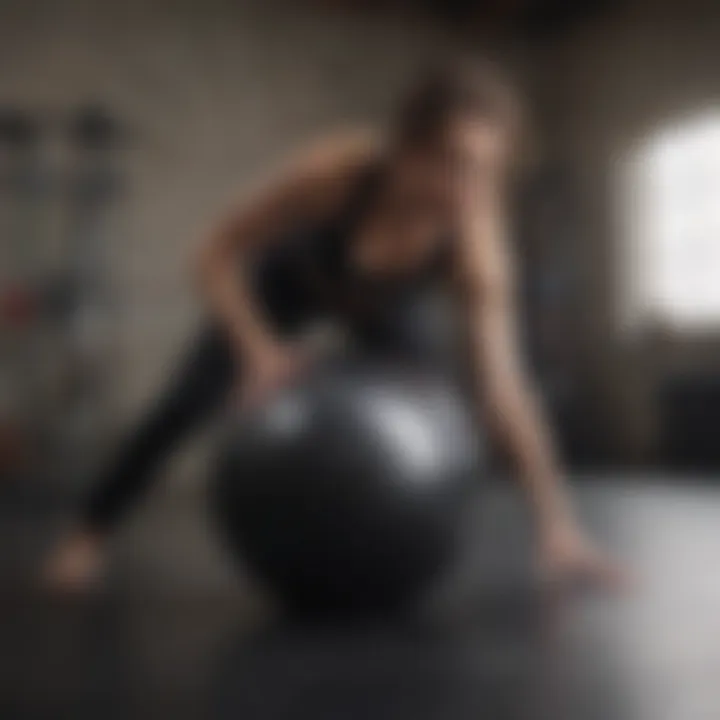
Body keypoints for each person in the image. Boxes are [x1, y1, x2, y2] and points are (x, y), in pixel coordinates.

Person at [43, 58, 621, 593]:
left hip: (382, 308)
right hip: (293, 282)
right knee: (185, 401)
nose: (465, 191)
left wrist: (557, 526)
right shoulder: (334, 174)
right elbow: (213, 254)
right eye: (453, 163)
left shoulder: (476, 248)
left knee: (437, 405)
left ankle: (389, 538)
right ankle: (88, 534)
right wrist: (257, 350)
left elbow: (505, 389)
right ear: (406, 149)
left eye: (484, 172)